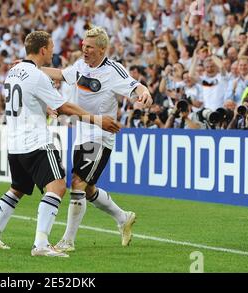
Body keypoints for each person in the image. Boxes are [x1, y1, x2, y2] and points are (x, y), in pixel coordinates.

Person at [0, 31, 122, 258]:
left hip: (15, 144)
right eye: (52, 47)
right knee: (57, 187)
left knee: (17, 189)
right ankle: (41, 244)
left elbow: (27, 101)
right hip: (36, 143)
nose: (54, 51)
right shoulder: (37, 76)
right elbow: (66, 107)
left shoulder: (13, 72)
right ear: (43, 50)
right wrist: (98, 120)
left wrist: (46, 108)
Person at [39, 26, 153, 252]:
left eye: (89, 47)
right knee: (88, 189)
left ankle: (68, 241)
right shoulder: (81, 66)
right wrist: (33, 69)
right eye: (83, 46)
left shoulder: (113, 70)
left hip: (101, 135)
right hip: (81, 133)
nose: (84, 50)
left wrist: (145, 92)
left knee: (77, 182)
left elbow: (135, 85)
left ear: (102, 49)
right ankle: (123, 217)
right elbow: (61, 74)